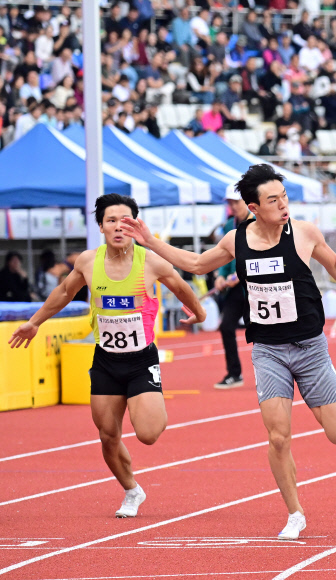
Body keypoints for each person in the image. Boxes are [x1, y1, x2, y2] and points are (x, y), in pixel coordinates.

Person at [120, 165, 336, 540]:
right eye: (273, 200)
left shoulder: (304, 233)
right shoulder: (235, 240)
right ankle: (294, 513)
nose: (283, 205)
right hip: (268, 351)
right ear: (254, 207)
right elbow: (194, 263)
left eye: (285, 197)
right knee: (278, 436)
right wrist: (150, 240)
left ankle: (317, 396)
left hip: (310, 347)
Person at [8, 194, 206, 518]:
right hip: (106, 360)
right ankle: (132, 490)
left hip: (141, 359)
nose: (118, 226)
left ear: (136, 225)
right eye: (111, 220)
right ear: (100, 226)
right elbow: (63, 293)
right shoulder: (88, 262)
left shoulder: (150, 261)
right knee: (107, 435)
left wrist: (197, 312)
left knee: (148, 434)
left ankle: (148, 402)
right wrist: (34, 322)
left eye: (125, 220)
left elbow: (181, 286)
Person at [213, 189, 254, 389]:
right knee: (226, 326)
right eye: (231, 202)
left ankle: (274, 372)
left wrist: (241, 274)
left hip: (254, 287)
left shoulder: (258, 223)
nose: (234, 206)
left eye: (237, 202)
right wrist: (221, 275)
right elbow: (224, 255)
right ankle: (234, 373)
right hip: (235, 290)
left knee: (259, 331)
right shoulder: (230, 225)